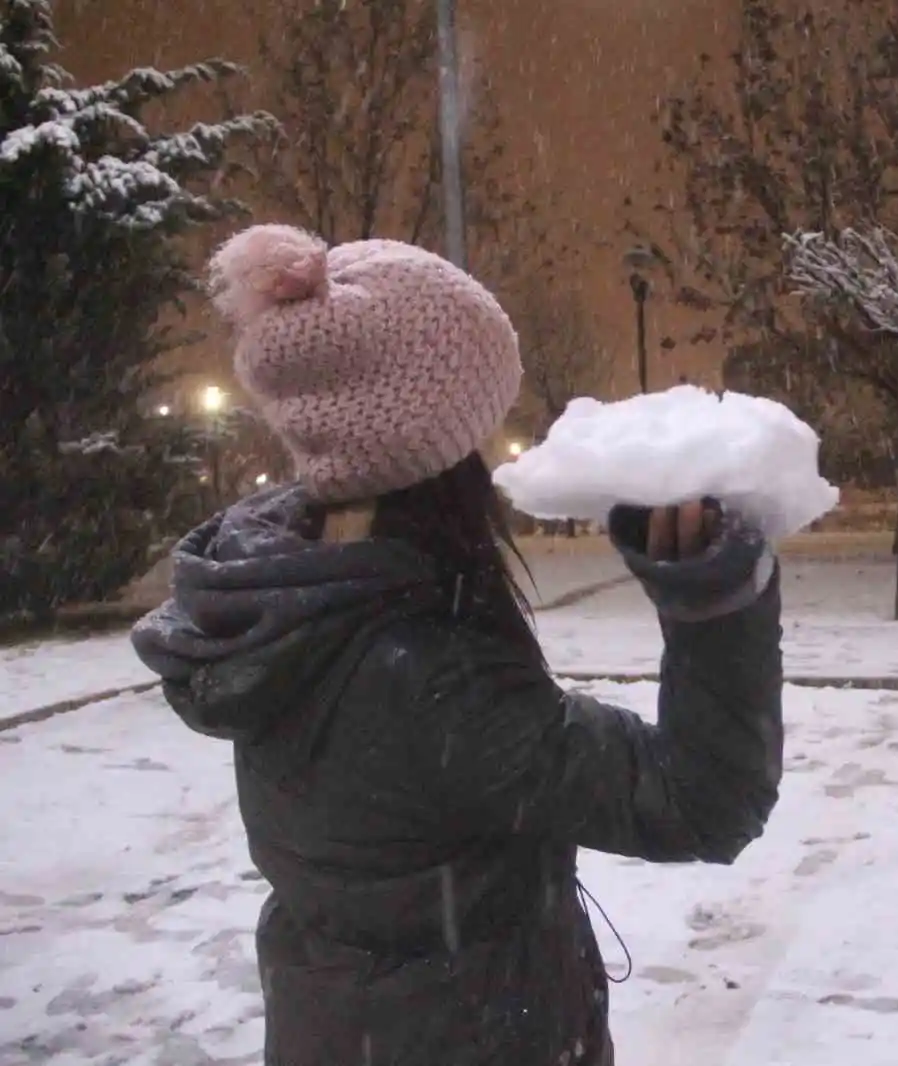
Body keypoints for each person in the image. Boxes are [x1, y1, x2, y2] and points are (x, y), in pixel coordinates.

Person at [130, 225, 785, 1065]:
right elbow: (703, 800)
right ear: (435, 447)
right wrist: (715, 601)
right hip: (466, 1033)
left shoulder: (285, 599)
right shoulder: (428, 677)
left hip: (344, 1025)